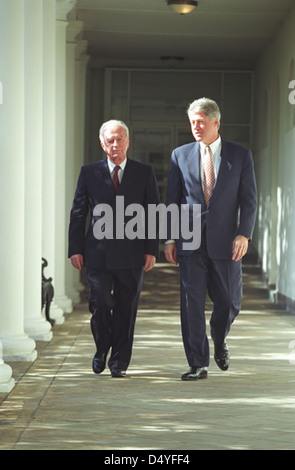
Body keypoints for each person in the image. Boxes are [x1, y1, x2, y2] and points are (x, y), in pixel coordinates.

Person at [165, 98, 257, 381]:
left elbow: (249, 200)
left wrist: (244, 233)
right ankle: (197, 363)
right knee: (192, 303)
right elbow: (173, 201)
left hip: (227, 242)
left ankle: (219, 338)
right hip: (189, 242)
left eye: (201, 122)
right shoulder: (180, 155)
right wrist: (169, 238)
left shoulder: (240, 156)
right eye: (192, 122)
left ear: (216, 122)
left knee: (229, 301)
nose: (195, 127)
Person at [68, 120, 160, 378]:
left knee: (126, 309)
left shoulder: (144, 172)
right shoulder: (89, 172)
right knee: (99, 303)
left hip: (132, 254)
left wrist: (152, 249)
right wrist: (75, 248)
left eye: (120, 139)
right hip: (97, 252)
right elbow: (78, 212)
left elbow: (153, 213)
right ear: (102, 144)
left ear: (128, 141)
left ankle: (118, 362)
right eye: (110, 140)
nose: (116, 144)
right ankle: (102, 347)